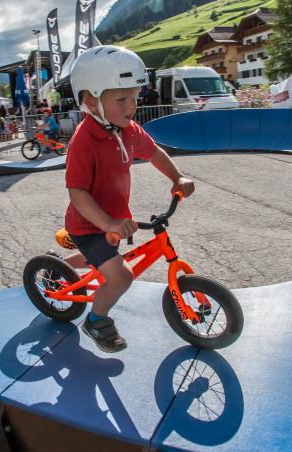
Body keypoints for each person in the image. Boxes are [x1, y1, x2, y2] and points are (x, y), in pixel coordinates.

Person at [60, 45, 195, 352]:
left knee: (101, 260)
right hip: (88, 224)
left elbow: (155, 153)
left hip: (115, 222)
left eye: (134, 97)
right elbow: (77, 193)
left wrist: (177, 177)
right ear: (91, 101)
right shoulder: (84, 141)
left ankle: (57, 266)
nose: (132, 105)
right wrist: (107, 222)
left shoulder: (128, 129)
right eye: (121, 99)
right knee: (121, 276)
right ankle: (96, 321)